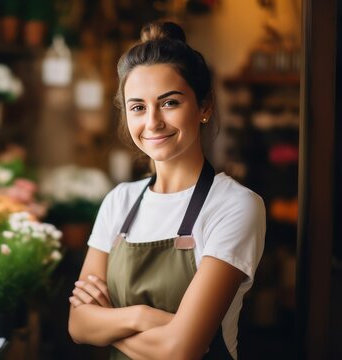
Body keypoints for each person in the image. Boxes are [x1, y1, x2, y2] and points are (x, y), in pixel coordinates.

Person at [68, 21, 265, 360]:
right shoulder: (119, 202)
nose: (153, 122)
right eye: (138, 107)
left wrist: (107, 327)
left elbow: (181, 350)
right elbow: (77, 325)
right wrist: (142, 316)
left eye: (170, 103)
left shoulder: (235, 205)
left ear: (204, 106)